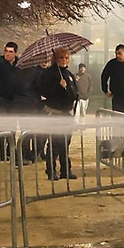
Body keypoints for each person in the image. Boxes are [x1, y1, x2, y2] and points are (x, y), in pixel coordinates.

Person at [36, 49, 79, 178]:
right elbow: (44, 91)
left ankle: (66, 170)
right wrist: (58, 87)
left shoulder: (69, 74)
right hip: (55, 112)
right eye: (61, 58)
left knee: (65, 143)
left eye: (66, 58)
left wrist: (67, 88)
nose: (64, 60)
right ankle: (51, 170)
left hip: (67, 113)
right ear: (56, 59)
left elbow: (74, 93)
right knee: (55, 143)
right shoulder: (49, 74)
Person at [100, 44, 124, 114]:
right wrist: (105, 90)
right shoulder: (112, 64)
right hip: (118, 96)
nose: (117, 56)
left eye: (119, 53)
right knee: (117, 117)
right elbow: (104, 76)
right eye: (116, 53)